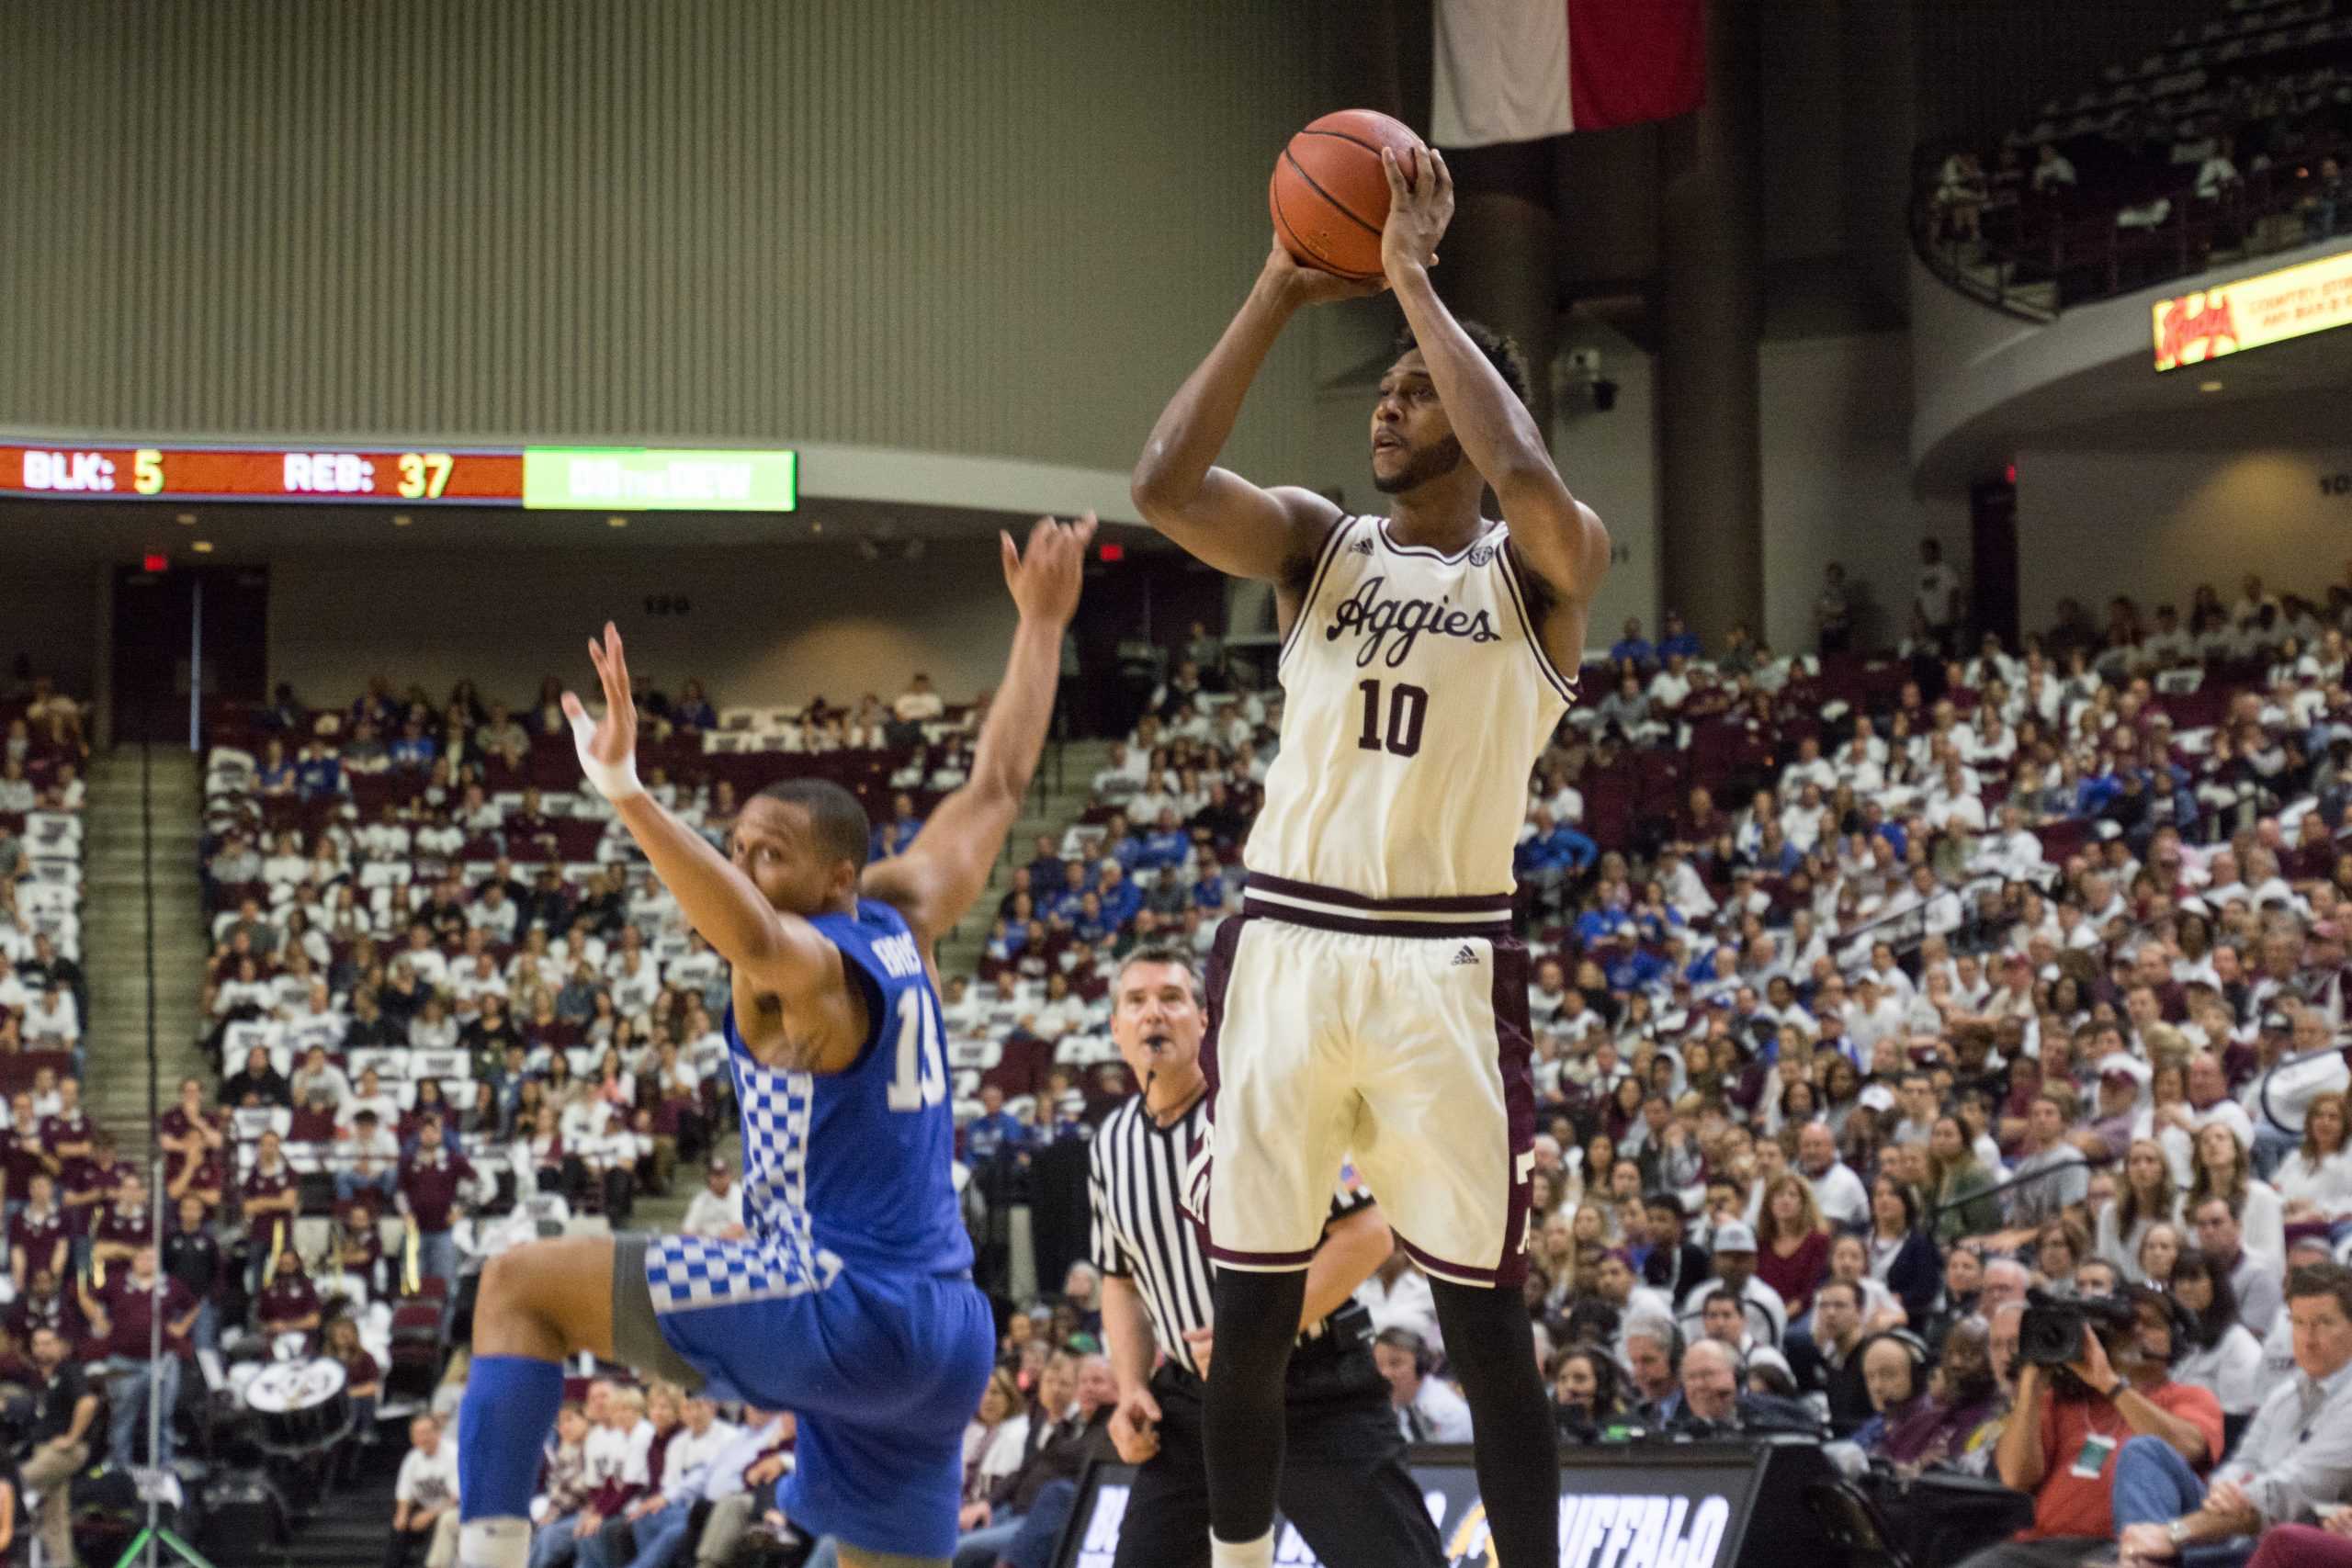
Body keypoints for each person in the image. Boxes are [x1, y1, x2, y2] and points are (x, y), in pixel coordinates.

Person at [1131, 139, 1608, 1568]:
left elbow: (1524, 465)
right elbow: (1162, 481)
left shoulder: (1539, 568)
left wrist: (1410, 281)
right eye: (1388, 387)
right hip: (1283, 942)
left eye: (1414, 389)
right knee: (1253, 1315)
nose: (1390, 407)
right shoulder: (1315, 544)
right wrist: (1281, 285)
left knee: (1486, 1320)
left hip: (1442, 961)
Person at [456, 516, 1091, 1568]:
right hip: (945, 1333)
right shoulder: (906, 912)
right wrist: (1040, 626)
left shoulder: (800, 975)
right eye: (738, 847)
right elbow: (995, 789)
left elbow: (750, 932)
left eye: (773, 854)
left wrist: (623, 791)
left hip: (839, 1300)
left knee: (519, 1284)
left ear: (837, 878)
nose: (747, 868)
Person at [1086, 946, 1442, 1567]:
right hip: (1192, 1401)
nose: (1153, 1015)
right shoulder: (1110, 1143)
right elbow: (1119, 1278)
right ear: (1116, 1028)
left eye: (1172, 998)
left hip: (1308, 1384)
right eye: (1135, 1001)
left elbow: (1368, 1236)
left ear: (1206, 1019)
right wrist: (1132, 1385)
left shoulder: (1260, 1109)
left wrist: (1248, 1335)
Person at [1958, 1290, 2222, 1568]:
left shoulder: (2188, 1396)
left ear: (2175, 1339)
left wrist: (2110, 1384)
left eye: (2151, 1324)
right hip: (2045, 1546)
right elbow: (2015, 1476)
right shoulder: (2061, 1401)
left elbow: (2188, 1449)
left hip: (2128, 1547)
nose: (2138, 1333)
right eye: (2128, 1326)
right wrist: (2031, 1385)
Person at [2116, 1263, 2352, 1563]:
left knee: (2286, 1536)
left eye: (2323, 1323)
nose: (2308, 1339)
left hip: (2290, 1533)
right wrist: (2225, 1488)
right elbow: (2243, 1462)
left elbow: (2293, 1488)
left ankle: (2149, 1554)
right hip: (2235, 1524)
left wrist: (2175, 1532)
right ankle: (2146, 1558)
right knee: (2144, 1451)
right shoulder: (2284, 1394)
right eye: (2299, 1323)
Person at [21, 1324, 96, 1567]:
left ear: (61, 1346)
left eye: (47, 1343)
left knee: (16, 1481)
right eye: (37, 1344)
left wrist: (72, 1437)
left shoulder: (69, 1371)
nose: (41, 1349)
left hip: (63, 1451)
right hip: (43, 1449)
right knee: (55, 1518)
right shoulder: (38, 1378)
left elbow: (88, 1403)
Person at [1373, 1329, 1473, 1443]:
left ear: (1420, 1364)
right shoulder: (1399, 1404)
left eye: (1395, 1363)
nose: (1384, 1374)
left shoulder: (1449, 1413)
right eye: (1378, 1366)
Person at [388, 1413, 461, 1568]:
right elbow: (404, 1492)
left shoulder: (453, 1454)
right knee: (398, 1526)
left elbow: (456, 1498)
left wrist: (428, 1516)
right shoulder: (412, 1458)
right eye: (417, 1434)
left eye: (426, 1433)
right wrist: (402, 1516)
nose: (422, 1438)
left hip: (450, 1509)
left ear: (438, 1432)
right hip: (424, 1507)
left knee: (438, 1526)